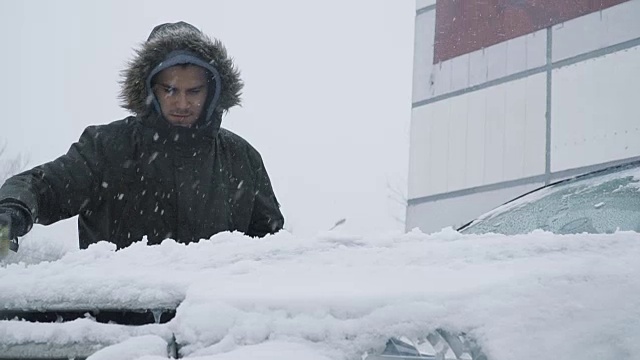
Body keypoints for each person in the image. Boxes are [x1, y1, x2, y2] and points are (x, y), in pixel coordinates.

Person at [0, 21, 284, 251]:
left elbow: (271, 247)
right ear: (151, 89)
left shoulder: (241, 158)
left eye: (193, 91)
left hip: (210, 318)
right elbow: (42, 187)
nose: (182, 104)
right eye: (170, 90)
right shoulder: (106, 148)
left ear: (211, 92)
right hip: (116, 320)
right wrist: (11, 212)